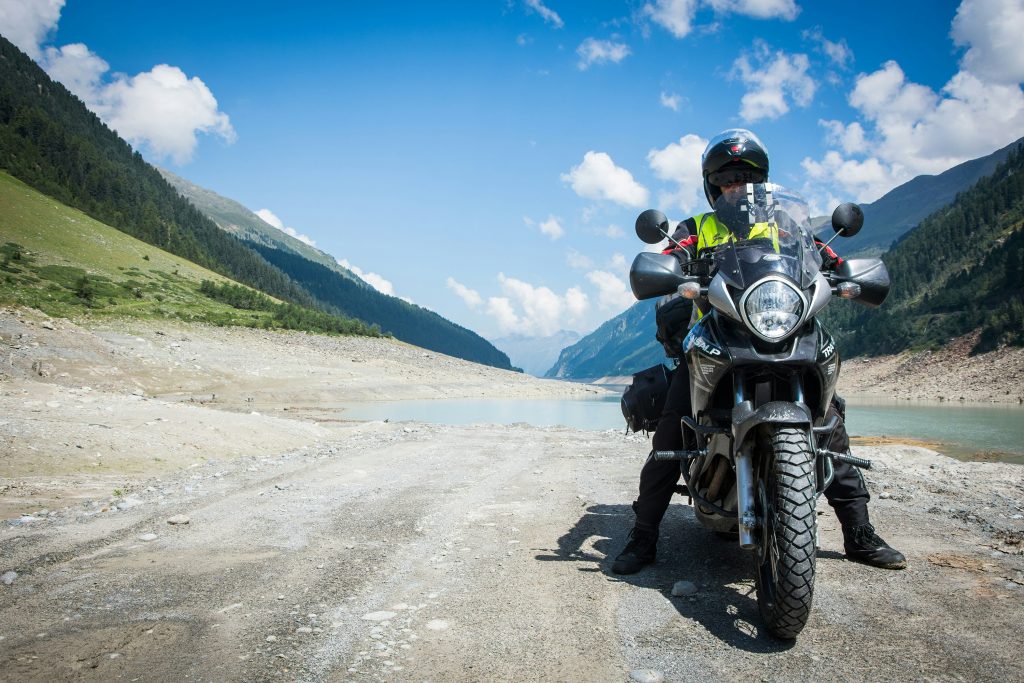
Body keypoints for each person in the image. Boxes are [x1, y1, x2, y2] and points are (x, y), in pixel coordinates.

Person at [613, 129, 906, 575]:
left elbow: (819, 256)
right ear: (714, 186)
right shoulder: (695, 229)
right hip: (715, 337)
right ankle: (644, 535)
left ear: (762, 182)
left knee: (830, 423)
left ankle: (859, 531)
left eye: (746, 179)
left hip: (784, 328)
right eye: (728, 180)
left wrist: (841, 270)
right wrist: (671, 268)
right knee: (672, 429)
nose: (737, 188)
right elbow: (672, 257)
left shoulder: (787, 226)